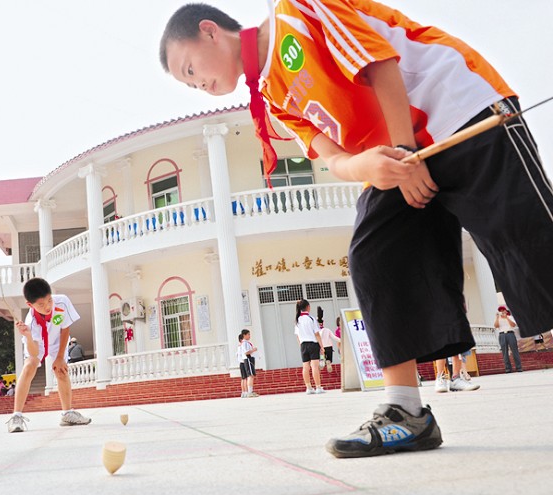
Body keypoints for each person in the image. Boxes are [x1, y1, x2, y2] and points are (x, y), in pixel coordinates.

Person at [160, 2, 552, 458]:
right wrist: (366, 163)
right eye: (188, 84)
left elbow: (379, 62)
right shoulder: (270, 96)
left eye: (191, 68)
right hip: (394, 157)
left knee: (527, 241)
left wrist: (407, 152)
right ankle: (407, 412)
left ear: (210, 32)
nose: (198, 85)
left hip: (455, 112)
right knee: (375, 256)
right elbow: (331, 156)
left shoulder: (296, 11)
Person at [7, 277, 92, 433]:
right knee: (29, 367)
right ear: (30, 305)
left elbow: (65, 329)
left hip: (56, 341)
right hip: (36, 342)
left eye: (49, 300)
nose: (47, 306)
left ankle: (67, 414)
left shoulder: (62, 302)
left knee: (61, 371)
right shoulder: (31, 323)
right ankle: (16, 417)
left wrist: (60, 357)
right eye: (41, 304)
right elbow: (33, 352)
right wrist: (27, 336)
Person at [294, 299, 324, 394]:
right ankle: (318, 387)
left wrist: (301, 345)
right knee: (315, 366)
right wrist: (322, 346)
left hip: (303, 345)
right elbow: (317, 334)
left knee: (305, 367)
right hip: (313, 344)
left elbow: (297, 336)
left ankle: (308, 388)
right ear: (308, 307)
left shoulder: (297, 320)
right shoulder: (311, 318)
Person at [495, 305, 522, 373]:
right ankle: (508, 368)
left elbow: (513, 325)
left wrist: (506, 317)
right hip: (502, 334)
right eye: (500, 310)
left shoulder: (510, 317)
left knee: (514, 350)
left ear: (506, 311)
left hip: (510, 334)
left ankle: (519, 367)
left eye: (503, 310)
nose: (502, 311)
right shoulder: (498, 318)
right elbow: (496, 326)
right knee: (504, 352)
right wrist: (497, 317)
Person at [237, 329, 259, 398]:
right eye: (248, 334)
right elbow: (246, 352)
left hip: (248, 359)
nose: (249, 336)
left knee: (249, 376)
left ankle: (247, 392)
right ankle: (249, 391)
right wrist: (253, 350)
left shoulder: (246, 343)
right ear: (244, 335)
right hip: (248, 359)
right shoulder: (245, 343)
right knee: (250, 376)